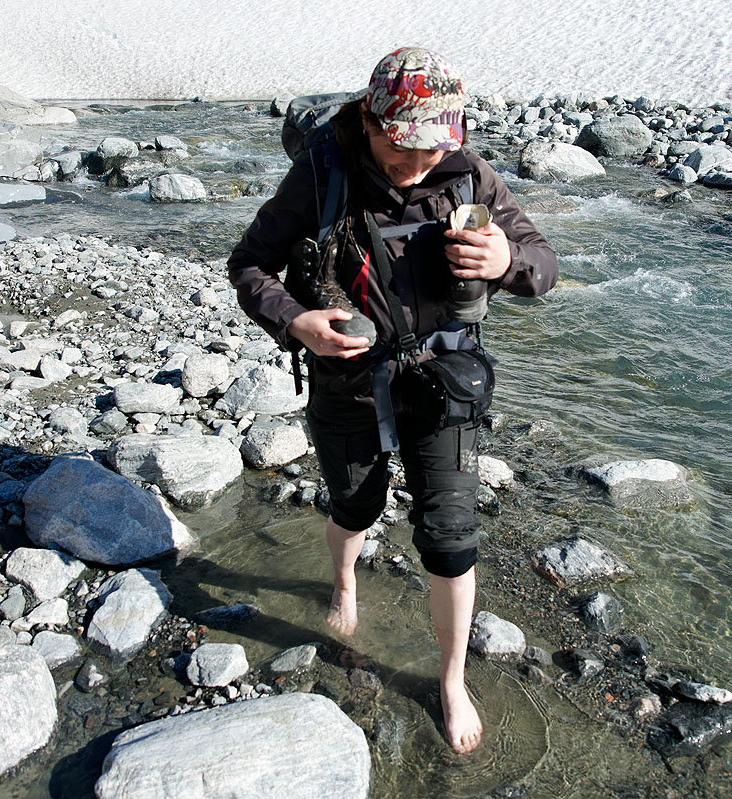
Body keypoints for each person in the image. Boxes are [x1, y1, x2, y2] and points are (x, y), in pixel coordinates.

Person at [228, 47, 557, 754]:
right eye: (402, 149)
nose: (417, 165)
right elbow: (248, 263)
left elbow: (544, 264)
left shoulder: (467, 175)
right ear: (371, 121)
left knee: (450, 539)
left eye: (432, 148)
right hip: (347, 379)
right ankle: (344, 581)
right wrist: (295, 320)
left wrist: (508, 262)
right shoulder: (321, 172)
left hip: (446, 378)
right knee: (355, 504)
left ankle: (450, 679)